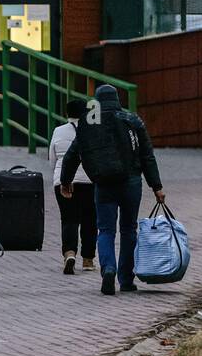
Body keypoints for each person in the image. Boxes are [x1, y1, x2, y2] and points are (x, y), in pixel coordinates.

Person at [60, 84, 165, 296]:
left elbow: (72, 154)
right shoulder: (132, 120)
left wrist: (65, 181)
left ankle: (108, 268)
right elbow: (147, 156)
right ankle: (126, 279)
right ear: (117, 99)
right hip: (131, 182)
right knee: (128, 230)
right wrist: (157, 186)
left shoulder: (89, 123)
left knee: (106, 230)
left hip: (104, 184)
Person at [48, 98, 97, 274]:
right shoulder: (92, 131)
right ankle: (88, 260)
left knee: (68, 219)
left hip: (64, 181)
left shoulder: (58, 131)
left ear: (66, 114)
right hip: (88, 181)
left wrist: (59, 177)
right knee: (90, 220)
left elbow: (52, 159)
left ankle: (69, 253)